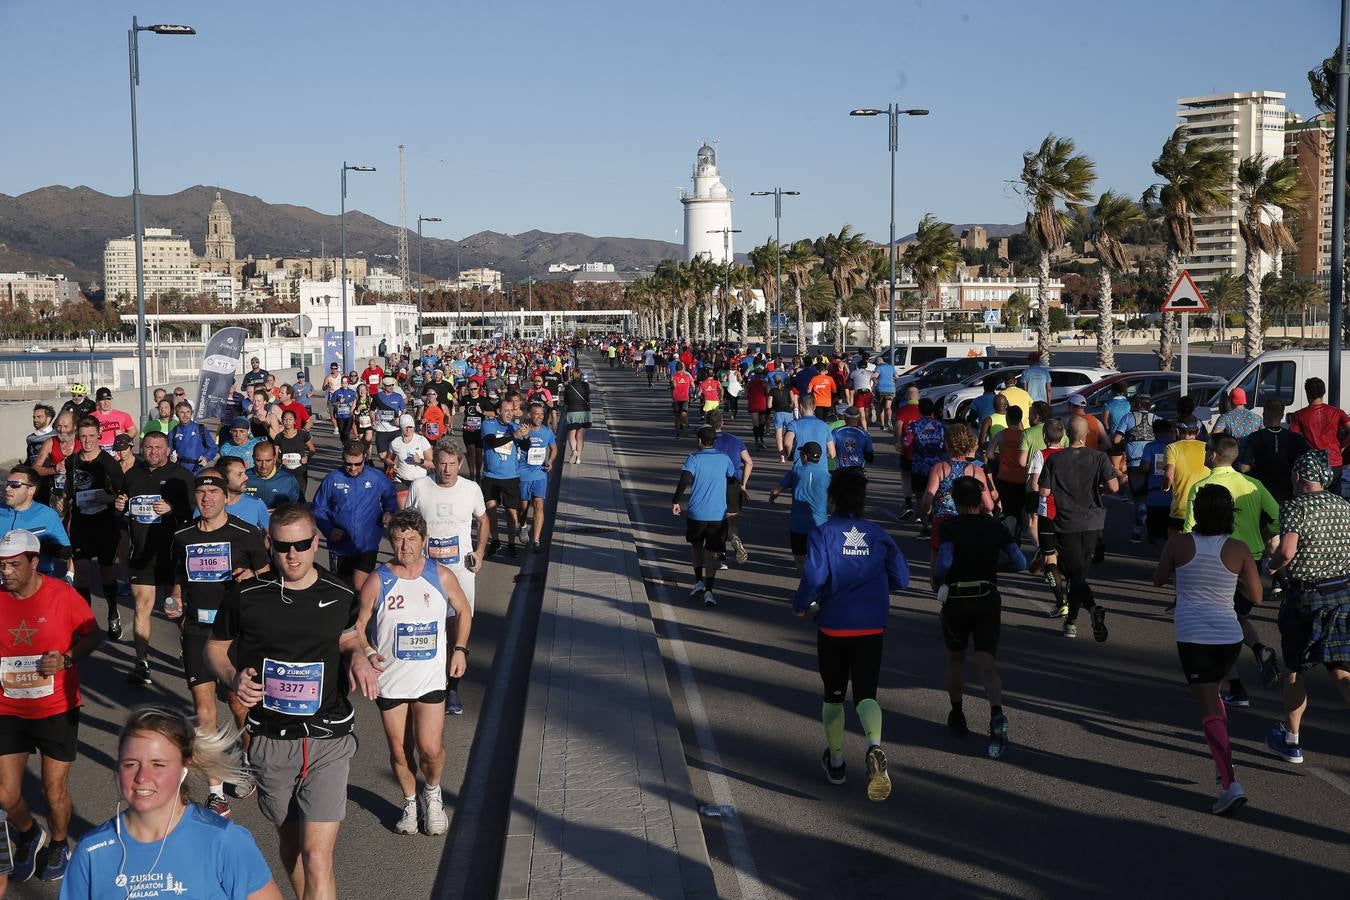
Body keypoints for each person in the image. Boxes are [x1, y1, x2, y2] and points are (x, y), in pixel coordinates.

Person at [206, 504, 379, 900]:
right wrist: (233, 677)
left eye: (302, 544)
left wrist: (358, 656)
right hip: (270, 739)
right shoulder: (246, 596)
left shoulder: (339, 593)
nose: (293, 555)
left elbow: (351, 636)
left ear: (316, 541)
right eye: (283, 547)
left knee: (317, 856)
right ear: (270, 544)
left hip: (328, 737)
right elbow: (215, 648)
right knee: (291, 846)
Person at [61, 705, 284, 898]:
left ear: (183, 767)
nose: (141, 777)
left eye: (158, 764)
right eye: (130, 764)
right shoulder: (92, 851)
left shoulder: (223, 841)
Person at [792, 468, 909, 801]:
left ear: (832, 498)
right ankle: (874, 745)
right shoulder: (878, 534)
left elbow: (814, 577)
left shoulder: (823, 533)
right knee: (867, 694)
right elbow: (902, 577)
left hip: (833, 625)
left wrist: (800, 604)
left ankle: (838, 762)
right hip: (871, 625)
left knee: (833, 694)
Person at [355, 509, 472, 837]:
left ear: (424, 541)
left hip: (430, 678)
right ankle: (410, 803)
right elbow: (359, 626)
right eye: (398, 539)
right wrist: (366, 652)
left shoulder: (440, 575)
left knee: (430, 749)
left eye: (411, 539)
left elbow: (464, 610)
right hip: (391, 680)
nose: (405, 546)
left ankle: (433, 795)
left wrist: (460, 649)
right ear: (391, 541)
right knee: (399, 750)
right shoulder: (379, 579)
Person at [1153, 485, 1264, 815]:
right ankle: (1222, 763)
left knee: (1207, 710)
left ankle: (1230, 784)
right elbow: (1256, 597)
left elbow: (1158, 579)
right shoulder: (1239, 548)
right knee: (1214, 698)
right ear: (1230, 514)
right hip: (1229, 637)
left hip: (1194, 635)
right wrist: (1234, 579)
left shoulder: (1178, 543)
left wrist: (1177, 568)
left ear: (1197, 512)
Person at [0, 529, 102, 883]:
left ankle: (59, 842)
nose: (6, 572)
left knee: (52, 789)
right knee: (6, 793)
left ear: (33, 560)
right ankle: (29, 833)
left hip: (56, 705)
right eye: (1, 565)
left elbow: (94, 633)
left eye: (14, 564)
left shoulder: (62, 594)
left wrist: (68, 660)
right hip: (7, 707)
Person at [169, 470, 270, 815]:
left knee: (239, 704)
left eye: (214, 492)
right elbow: (178, 578)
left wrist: (252, 575)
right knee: (204, 711)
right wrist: (176, 601)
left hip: (236, 634)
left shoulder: (246, 533)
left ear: (227, 497)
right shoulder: (182, 536)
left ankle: (250, 761)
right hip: (197, 630)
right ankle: (216, 791)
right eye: (202, 492)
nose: (207, 497)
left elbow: (270, 574)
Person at [1181, 435, 1282, 707]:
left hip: (1215, 559)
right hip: (1252, 559)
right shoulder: (1254, 484)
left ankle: (1237, 687)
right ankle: (1258, 651)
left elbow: (1190, 530)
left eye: (1205, 451)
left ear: (1213, 456)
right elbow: (1277, 518)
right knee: (1235, 616)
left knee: (1215, 628)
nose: (1203, 454)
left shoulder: (1202, 486)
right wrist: (1266, 535)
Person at [1264, 450, 1350, 766]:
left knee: (1295, 668)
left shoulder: (1295, 506)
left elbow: (1286, 551)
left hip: (1305, 597)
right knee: (1341, 670)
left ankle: (1291, 740)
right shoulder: (1344, 506)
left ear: (1299, 477)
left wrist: (1271, 568)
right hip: (1341, 594)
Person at [933, 476, 1027, 756]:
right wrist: (993, 563)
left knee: (956, 658)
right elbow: (1019, 562)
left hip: (958, 598)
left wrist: (940, 579)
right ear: (979, 499)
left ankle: (957, 713)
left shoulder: (950, 527)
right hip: (987, 597)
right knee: (987, 663)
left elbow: (945, 563)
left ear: (956, 501)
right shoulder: (994, 526)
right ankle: (996, 713)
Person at [406, 441, 488, 716]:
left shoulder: (471, 489)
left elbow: (483, 519)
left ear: (460, 464)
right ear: (434, 463)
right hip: (426, 570)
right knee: (428, 626)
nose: (447, 469)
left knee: (458, 626)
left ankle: (452, 687)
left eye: (453, 464)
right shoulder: (420, 487)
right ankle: (430, 680)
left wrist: (480, 551)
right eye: (442, 463)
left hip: (461, 570)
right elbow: (409, 524)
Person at [113, 430, 195, 688]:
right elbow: (125, 513)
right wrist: (120, 505)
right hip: (141, 556)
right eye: (148, 447)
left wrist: (173, 509)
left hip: (171, 556)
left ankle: (188, 647)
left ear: (167, 449)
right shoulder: (132, 475)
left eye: (158, 447)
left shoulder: (180, 476)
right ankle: (142, 662)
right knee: (141, 606)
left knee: (174, 609)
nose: (152, 452)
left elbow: (195, 510)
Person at [1037, 416, 1120, 640]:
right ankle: (1071, 622)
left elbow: (1044, 492)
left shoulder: (1055, 460)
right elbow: (1114, 487)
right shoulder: (1099, 457)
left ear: (1066, 435)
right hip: (1093, 522)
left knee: (1075, 574)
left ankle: (1092, 609)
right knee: (1078, 574)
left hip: (1067, 522)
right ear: (1086, 436)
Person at [58, 417, 126, 640]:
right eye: (83, 436)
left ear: (99, 436)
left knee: (106, 573)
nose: (87, 441)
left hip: (105, 524)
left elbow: (123, 494)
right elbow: (69, 489)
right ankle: (84, 622)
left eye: (91, 436)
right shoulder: (73, 461)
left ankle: (112, 611)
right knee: (82, 574)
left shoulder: (109, 463)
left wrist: (107, 497)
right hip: (81, 524)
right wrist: (63, 500)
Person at [313, 440, 398, 592]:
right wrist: (329, 529)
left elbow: (390, 495)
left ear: (364, 458)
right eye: (348, 464)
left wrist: (389, 511)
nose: (352, 468)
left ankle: (363, 614)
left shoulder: (376, 477)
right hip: (340, 546)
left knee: (361, 586)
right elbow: (319, 509)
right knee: (342, 588)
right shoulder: (332, 479)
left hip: (367, 544)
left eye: (357, 464)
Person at [672, 426, 736, 606]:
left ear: (700, 441)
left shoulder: (693, 458)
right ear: (714, 441)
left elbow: (684, 479)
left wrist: (676, 501)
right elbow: (732, 478)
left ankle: (698, 580)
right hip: (718, 515)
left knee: (696, 546)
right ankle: (709, 589)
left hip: (697, 513)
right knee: (713, 553)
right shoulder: (724, 458)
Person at [1, 465, 74, 584]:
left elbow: (66, 552)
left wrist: (37, 544)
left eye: (15, 485)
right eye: (7, 484)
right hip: (3, 578)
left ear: (31, 490)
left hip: (37, 579)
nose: (8, 488)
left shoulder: (47, 515)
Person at [769, 441, 831, 573]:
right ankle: (815, 582)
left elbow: (775, 491)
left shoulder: (795, 472)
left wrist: (772, 498)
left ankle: (804, 581)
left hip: (798, 524)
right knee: (818, 556)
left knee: (799, 558)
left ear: (805, 456)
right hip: (819, 523)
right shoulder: (827, 476)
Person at [481, 395, 528, 558]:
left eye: (512, 411)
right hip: (491, 475)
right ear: (498, 411)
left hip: (510, 476)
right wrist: (513, 436)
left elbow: (525, 446)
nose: (509, 414)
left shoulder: (514, 426)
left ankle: (511, 543)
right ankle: (495, 540)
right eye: (506, 411)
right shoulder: (488, 424)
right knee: (491, 509)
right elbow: (492, 442)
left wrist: (526, 437)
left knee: (510, 512)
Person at [1237, 400, 1308, 506]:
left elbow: (1244, 467)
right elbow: (1307, 462)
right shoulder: (1295, 438)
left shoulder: (1255, 437)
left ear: (1264, 415)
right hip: (1288, 490)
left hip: (1262, 490)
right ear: (1282, 415)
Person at [707, 410, 752, 566]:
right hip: (733, 483)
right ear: (722, 423)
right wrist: (743, 485)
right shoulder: (735, 440)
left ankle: (720, 556)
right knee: (732, 522)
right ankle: (734, 538)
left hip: (716, 484)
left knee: (716, 522)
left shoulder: (708, 441)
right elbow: (749, 462)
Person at [1290, 376, 1350, 489]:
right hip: (1334, 461)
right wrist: (1343, 446)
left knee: (1315, 498)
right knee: (1335, 500)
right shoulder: (1337, 412)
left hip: (1312, 465)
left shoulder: (1299, 415)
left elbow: (1293, 439)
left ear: (1307, 393)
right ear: (1324, 392)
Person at [517, 403, 558, 552]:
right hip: (523, 474)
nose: (540, 417)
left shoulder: (547, 432)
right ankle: (522, 526)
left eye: (542, 414)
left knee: (539, 505)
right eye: (537, 414)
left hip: (540, 474)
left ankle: (536, 539)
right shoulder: (522, 430)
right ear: (529, 415)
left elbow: (554, 449)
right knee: (523, 507)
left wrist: (550, 461)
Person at [903, 399, 946, 534]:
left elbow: (906, 444)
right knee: (936, 495)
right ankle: (935, 523)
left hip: (919, 466)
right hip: (937, 467)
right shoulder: (941, 426)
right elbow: (947, 446)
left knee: (920, 496)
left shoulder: (914, 426)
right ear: (932, 411)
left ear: (919, 411)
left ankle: (926, 526)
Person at [1162, 418, 1210, 533]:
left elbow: (1169, 475)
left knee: (1175, 544)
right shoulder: (1208, 447)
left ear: (1177, 431)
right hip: (1205, 507)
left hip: (1181, 508)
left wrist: (1165, 487)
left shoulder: (1172, 448)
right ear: (1198, 432)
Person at [217, 456, 271, 531]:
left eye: (244, 473)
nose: (246, 477)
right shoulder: (207, 506)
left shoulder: (257, 504)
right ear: (223, 477)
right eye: (239, 474)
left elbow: (269, 534)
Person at [245, 441, 302, 510]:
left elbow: (298, 508)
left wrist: (280, 512)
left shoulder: (289, 480)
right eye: (259, 461)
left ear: (275, 459)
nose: (263, 466)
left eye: (268, 460)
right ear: (253, 458)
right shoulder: (244, 477)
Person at [274, 408, 316, 497]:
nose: (287, 422)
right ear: (281, 421)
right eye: (285, 419)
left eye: (290, 419)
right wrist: (280, 461)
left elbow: (312, 449)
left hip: (300, 471)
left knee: (300, 497)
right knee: (286, 496)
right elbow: (275, 455)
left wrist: (307, 458)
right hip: (285, 471)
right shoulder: (278, 437)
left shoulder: (303, 434)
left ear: (294, 421)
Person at [168, 402, 218, 474]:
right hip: (180, 470)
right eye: (182, 412)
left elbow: (213, 448)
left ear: (191, 413)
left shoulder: (201, 429)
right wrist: (171, 456)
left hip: (198, 469)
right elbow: (167, 450)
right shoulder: (173, 432)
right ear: (177, 414)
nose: (185, 415)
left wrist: (206, 458)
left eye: (188, 412)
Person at [785, 396, 835, 463]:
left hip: (801, 466)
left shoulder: (794, 424)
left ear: (800, 407)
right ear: (814, 407)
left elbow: (787, 443)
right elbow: (832, 453)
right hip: (820, 468)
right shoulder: (824, 425)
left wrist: (790, 456)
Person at [459, 380, 491, 480]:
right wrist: (461, 409)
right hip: (468, 429)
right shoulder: (465, 399)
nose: (473, 391)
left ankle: (478, 474)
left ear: (478, 389)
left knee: (478, 453)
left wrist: (481, 411)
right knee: (470, 452)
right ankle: (472, 475)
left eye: (475, 389)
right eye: (471, 389)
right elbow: (460, 405)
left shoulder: (483, 400)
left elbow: (493, 413)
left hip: (480, 430)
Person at [371, 376, 408, 460]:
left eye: (392, 385)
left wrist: (400, 418)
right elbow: (371, 411)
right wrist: (373, 420)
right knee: (382, 455)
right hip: (381, 430)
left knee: (394, 455)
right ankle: (387, 467)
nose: (391, 387)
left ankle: (389, 471)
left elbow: (404, 409)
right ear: (384, 386)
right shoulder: (377, 396)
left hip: (395, 429)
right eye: (389, 385)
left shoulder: (398, 396)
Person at [562, 369, 592, 464]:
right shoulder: (586, 385)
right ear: (581, 375)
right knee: (580, 436)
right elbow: (587, 397)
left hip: (572, 412)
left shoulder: (568, 386)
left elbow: (566, 400)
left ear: (572, 375)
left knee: (571, 435)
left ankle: (573, 451)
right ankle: (578, 458)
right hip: (584, 412)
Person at [833, 407, 874, 472]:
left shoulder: (836, 432)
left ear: (844, 417)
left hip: (841, 472)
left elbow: (830, 452)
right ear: (858, 418)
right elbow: (870, 458)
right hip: (858, 472)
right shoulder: (865, 434)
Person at [670, 362, 696, 437]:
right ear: (682, 368)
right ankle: (685, 431)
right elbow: (693, 386)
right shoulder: (687, 376)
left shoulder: (673, 376)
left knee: (677, 416)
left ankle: (677, 433)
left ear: (676, 368)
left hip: (676, 398)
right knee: (684, 414)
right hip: (685, 397)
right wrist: (691, 393)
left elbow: (674, 385)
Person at [329, 376, 358, 444]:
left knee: (346, 432)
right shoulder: (337, 392)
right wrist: (339, 402)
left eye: (345, 383)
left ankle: (347, 445)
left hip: (349, 415)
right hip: (340, 415)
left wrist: (352, 410)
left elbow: (355, 402)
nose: (344, 384)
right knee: (341, 432)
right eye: (342, 383)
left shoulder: (352, 392)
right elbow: (332, 403)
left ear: (348, 383)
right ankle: (344, 444)